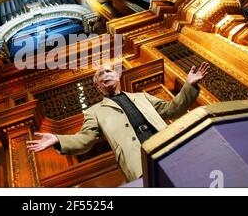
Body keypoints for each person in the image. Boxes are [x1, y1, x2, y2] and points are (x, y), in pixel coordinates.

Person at [27, 62, 210, 182]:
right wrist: (58, 140)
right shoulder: (94, 112)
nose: (104, 75)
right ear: (98, 86)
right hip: (139, 163)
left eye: (108, 71)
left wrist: (190, 85)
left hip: (170, 150)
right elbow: (85, 139)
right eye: (99, 76)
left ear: (117, 76)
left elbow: (173, 109)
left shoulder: (142, 96)